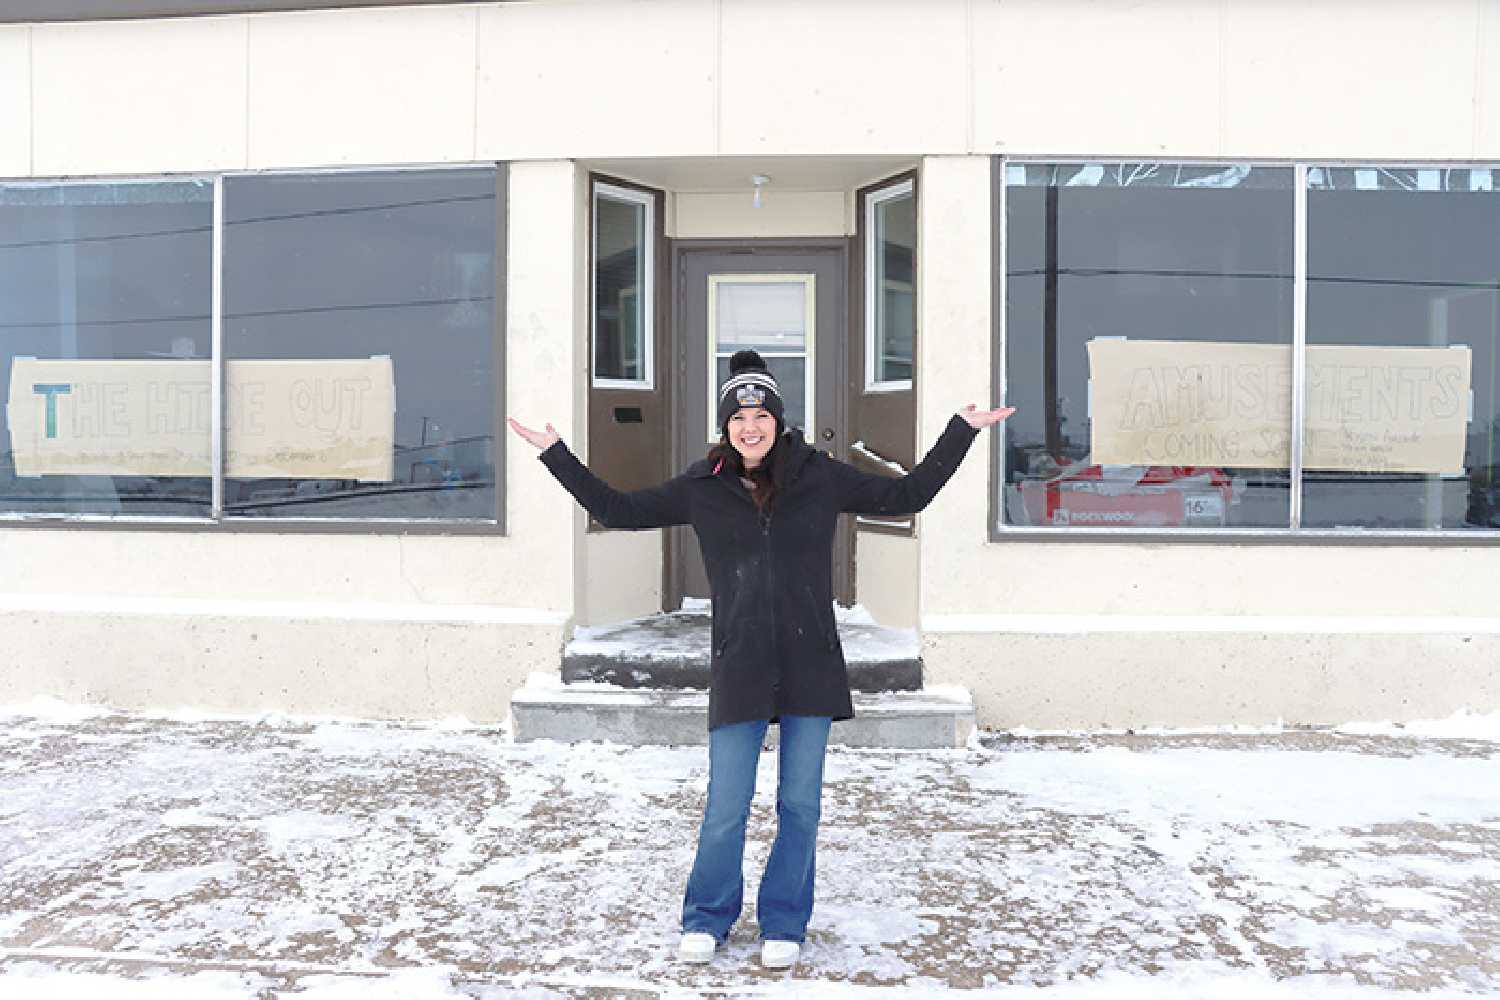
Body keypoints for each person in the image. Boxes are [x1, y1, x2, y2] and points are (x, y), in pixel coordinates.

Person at [508, 349, 1012, 970]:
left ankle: (784, 921)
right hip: (741, 663)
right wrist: (555, 451)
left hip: (811, 662)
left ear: (778, 420)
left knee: (800, 804)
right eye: (739, 416)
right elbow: (617, 509)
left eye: (762, 414)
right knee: (727, 803)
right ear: (726, 426)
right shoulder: (702, 488)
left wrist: (959, 431)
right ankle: (707, 917)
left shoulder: (820, 476)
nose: (751, 426)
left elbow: (911, 493)